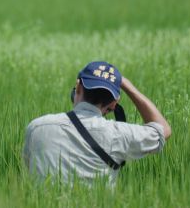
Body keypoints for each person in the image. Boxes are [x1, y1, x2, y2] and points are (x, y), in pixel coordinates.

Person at [23, 61, 171, 184]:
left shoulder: (37, 127)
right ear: (114, 104)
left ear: (78, 87)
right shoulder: (118, 134)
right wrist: (127, 85)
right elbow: (162, 131)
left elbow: (28, 175)